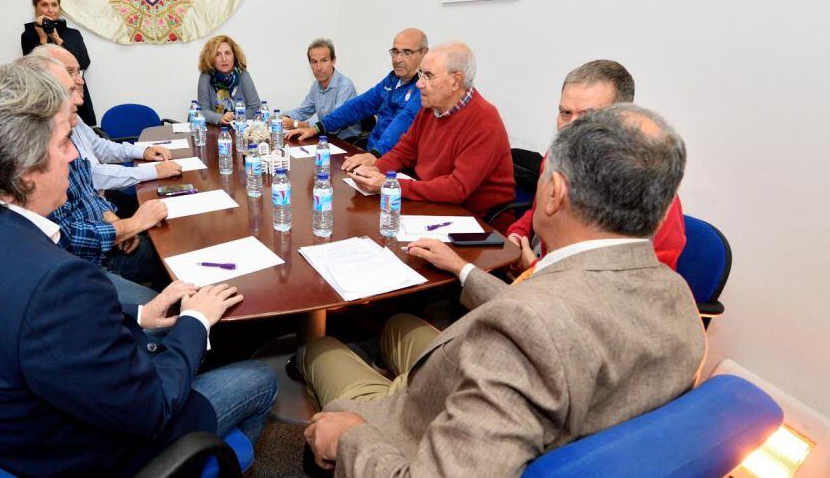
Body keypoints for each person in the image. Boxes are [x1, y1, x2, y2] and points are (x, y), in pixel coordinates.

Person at [0, 62, 276, 477]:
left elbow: (34, 330)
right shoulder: (56, 282)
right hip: (93, 455)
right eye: (64, 142)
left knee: (175, 332)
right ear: (22, 166)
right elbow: (151, 408)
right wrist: (194, 320)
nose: (75, 154)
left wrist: (139, 315)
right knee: (259, 377)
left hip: (8, 427)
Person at [300, 105, 706, 476]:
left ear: (554, 193)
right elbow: (552, 320)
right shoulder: (677, 296)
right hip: (504, 395)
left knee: (316, 349)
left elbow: (535, 329)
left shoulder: (527, 331)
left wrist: (350, 437)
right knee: (398, 323)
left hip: (415, 433)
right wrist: (463, 271)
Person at [506, 59, 686, 272]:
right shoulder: (559, 155)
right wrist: (518, 235)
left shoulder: (649, 192)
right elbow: (540, 209)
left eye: (587, 116)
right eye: (565, 113)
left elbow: (643, 283)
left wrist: (535, 270)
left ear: (619, 117)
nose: (571, 126)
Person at [15, 54, 168, 295]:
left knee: (168, 251)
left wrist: (113, 219)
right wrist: (130, 225)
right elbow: (67, 236)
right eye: (69, 87)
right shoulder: (35, 155)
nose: (80, 90)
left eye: (78, 75)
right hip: (87, 269)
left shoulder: (67, 132)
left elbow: (87, 187)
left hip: (104, 239)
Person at [348, 41, 515, 230]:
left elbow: (456, 188)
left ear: (456, 81)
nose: (419, 84)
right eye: (420, 74)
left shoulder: (484, 121)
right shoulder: (430, 108)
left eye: (428, 76)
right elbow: (404, 151)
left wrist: (390, 184)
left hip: (477, 223)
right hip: (433, 205)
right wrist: (375, 171)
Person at [31, 44, 181, 215]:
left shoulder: (74, 116)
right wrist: (153, 171)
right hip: (93, 212)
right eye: (70, 72)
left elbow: (101, 148)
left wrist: (143, 151)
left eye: (79, 72)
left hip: (101, 202)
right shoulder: (44, 129)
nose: (80, 80)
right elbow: (93, 175)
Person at [286, 28, 427, 169]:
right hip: (372, 152)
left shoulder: (423, 87)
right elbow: (359, 105)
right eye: (395, 52)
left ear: (424, 53)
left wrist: (375, 154)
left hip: (395, 162)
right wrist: (318, 128)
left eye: (407, 52)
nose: (398, 59)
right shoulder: (391, 80)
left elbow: (404, 121)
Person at [21, 0, 97, 126]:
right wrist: (43, 39)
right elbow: (35, 70)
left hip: (78, 98)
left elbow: (84, 63)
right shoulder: (29, 36)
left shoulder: (73, 34)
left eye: (54, 5)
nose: (51, 10)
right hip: (48, 101)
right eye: (44, 5)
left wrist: (56, 38)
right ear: (36, 8)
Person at [281, 38, 359, 140]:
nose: (319, 67)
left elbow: (334, 124)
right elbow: (302, 111)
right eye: (314, 62)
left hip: (348, 143)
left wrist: (297, 124)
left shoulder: (345, 86)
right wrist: (283, 117)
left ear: (333, 61)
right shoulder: (316, 85)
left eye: (324, 60)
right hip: (325, 139)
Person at [197, 35, 261, 125]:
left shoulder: (243, 75)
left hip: (240, 129)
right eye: (217, 54)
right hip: (215, 130)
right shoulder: (206, 76)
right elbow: (202, 111)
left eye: (227, 53)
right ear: (211, 58)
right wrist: (220, 118)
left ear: (234, 56)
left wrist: (234, 116)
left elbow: (255, 108)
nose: (224, 59)